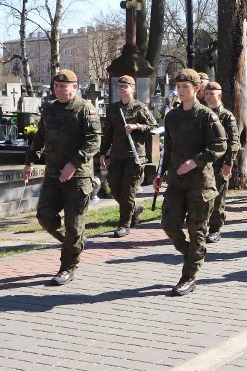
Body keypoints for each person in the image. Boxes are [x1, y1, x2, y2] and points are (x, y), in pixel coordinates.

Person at [23, 69, 101, 285]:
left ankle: (67, 266)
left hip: (78, 177)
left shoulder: (85, 109)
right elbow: (40, 138)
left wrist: (74, 164)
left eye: (63, 86)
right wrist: (29, 162)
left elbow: (94, 142)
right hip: (53, 174)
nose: (59, 90)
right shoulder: (49, 110)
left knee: (74, 223)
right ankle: (74, 242)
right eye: (56, 86)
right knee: (44, 217)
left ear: (74, 87)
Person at [153, 69, 227, 296]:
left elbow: (220, 145)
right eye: (179, 86)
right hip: (176, 180)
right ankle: (193, 254)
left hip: (200, 183)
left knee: (197, 231)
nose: (181, 90)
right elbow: (169, 149)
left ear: (197, 89)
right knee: (169, 224)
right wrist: (159, 173)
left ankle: (188, 276)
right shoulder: (172, 116)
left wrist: (195, 162)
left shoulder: (206, 116)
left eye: (186, 86)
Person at [99, 75, 157, 238]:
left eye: (126, 86)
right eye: (120, 86)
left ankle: (124, 224)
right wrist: (103, 151)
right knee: (114, 187)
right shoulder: (114, 108)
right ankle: (135, 208)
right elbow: (108, 132)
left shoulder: (139, 107)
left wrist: (136, 126)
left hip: (135, 155)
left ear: (133, 88)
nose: (122, 88)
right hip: (117, 154)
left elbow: (153, 125)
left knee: (128, 191)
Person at [204, 81, 240, 244]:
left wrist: (229, 163)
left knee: (218, 197)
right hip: (204, 162)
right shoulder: (202, 113)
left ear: (219, 95)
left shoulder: (226, 116)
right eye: (206, 93)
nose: (208, 96)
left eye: (212, 93)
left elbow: (234, 142)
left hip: (220, 163)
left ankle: (215, 228)